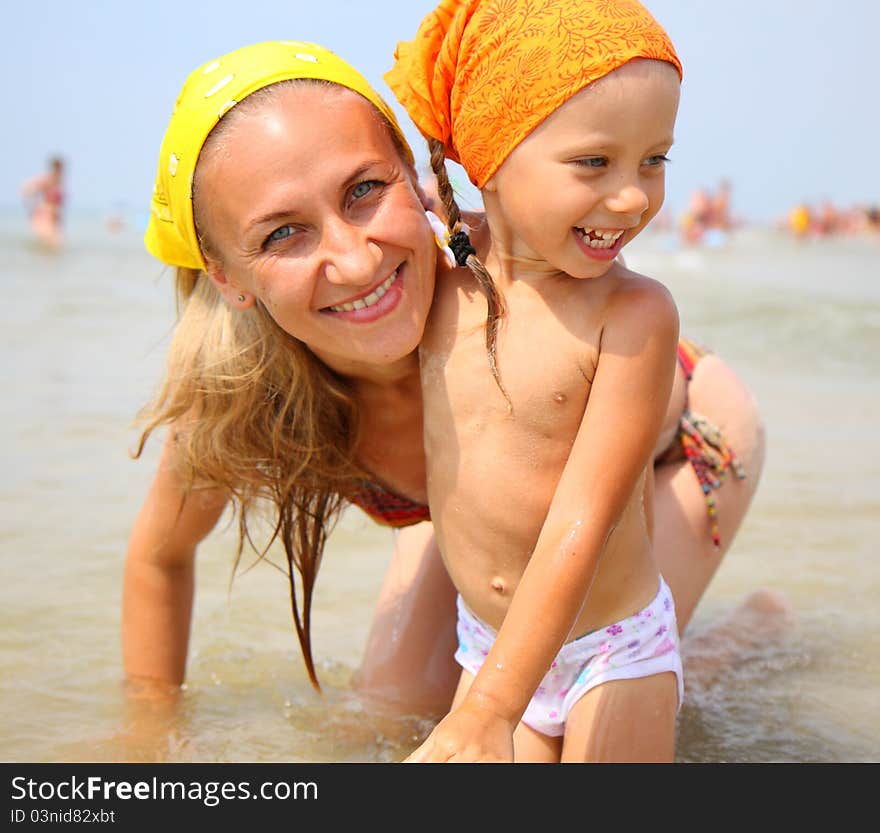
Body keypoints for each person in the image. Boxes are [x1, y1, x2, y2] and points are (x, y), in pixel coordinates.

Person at [124, 38, 771, 738]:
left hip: (679, 442)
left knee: (602, 669)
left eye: (364, 190)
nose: (354, 258)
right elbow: (159, 557)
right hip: (496, 506)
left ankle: (742, 644)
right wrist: (145, 739)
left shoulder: (495, 283)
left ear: (415, 176)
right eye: (284, 233)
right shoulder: (242, 391)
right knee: (390, 707)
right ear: (227, 277)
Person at [386, 0, 737, 762]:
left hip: (611, 650)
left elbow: (587, 519)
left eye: (655, 160)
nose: (633, 197)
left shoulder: (635, 316)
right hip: (488, 641)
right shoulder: (439, 276)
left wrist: (488, 710)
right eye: (594, 162)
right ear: (491, 156)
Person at [20, 155, 65, 249]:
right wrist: (34, 208)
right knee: (53, 245)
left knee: (54, 248)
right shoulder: (48, 179)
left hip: (54, 219)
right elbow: (26, 189)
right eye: (60, 169)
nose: (62, 171)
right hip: (45, 218)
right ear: (55, 168)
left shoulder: (59, 181)